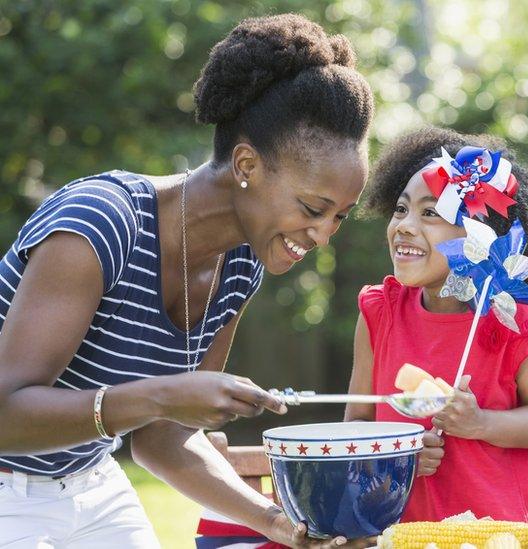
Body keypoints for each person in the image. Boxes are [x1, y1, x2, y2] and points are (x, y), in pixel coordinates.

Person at [0, 14, 373, 547]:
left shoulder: (240, 265)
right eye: (313, 208)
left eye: (339, 216)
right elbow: (5, 414)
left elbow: (164, 439)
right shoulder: (102, 223)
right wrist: (161, 395)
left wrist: (275, 522)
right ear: (246, 162)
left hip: (90, 484)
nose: (322, 236)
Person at [344, 127, 528, 522]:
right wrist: (399, 454)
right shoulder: (380, 312)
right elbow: (358, 424)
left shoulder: (509, 321)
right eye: (401, 209)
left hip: (496, 531)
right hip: (399, 528)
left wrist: (481, 423)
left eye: (430, 213)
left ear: (479, 235)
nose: (405, 225)